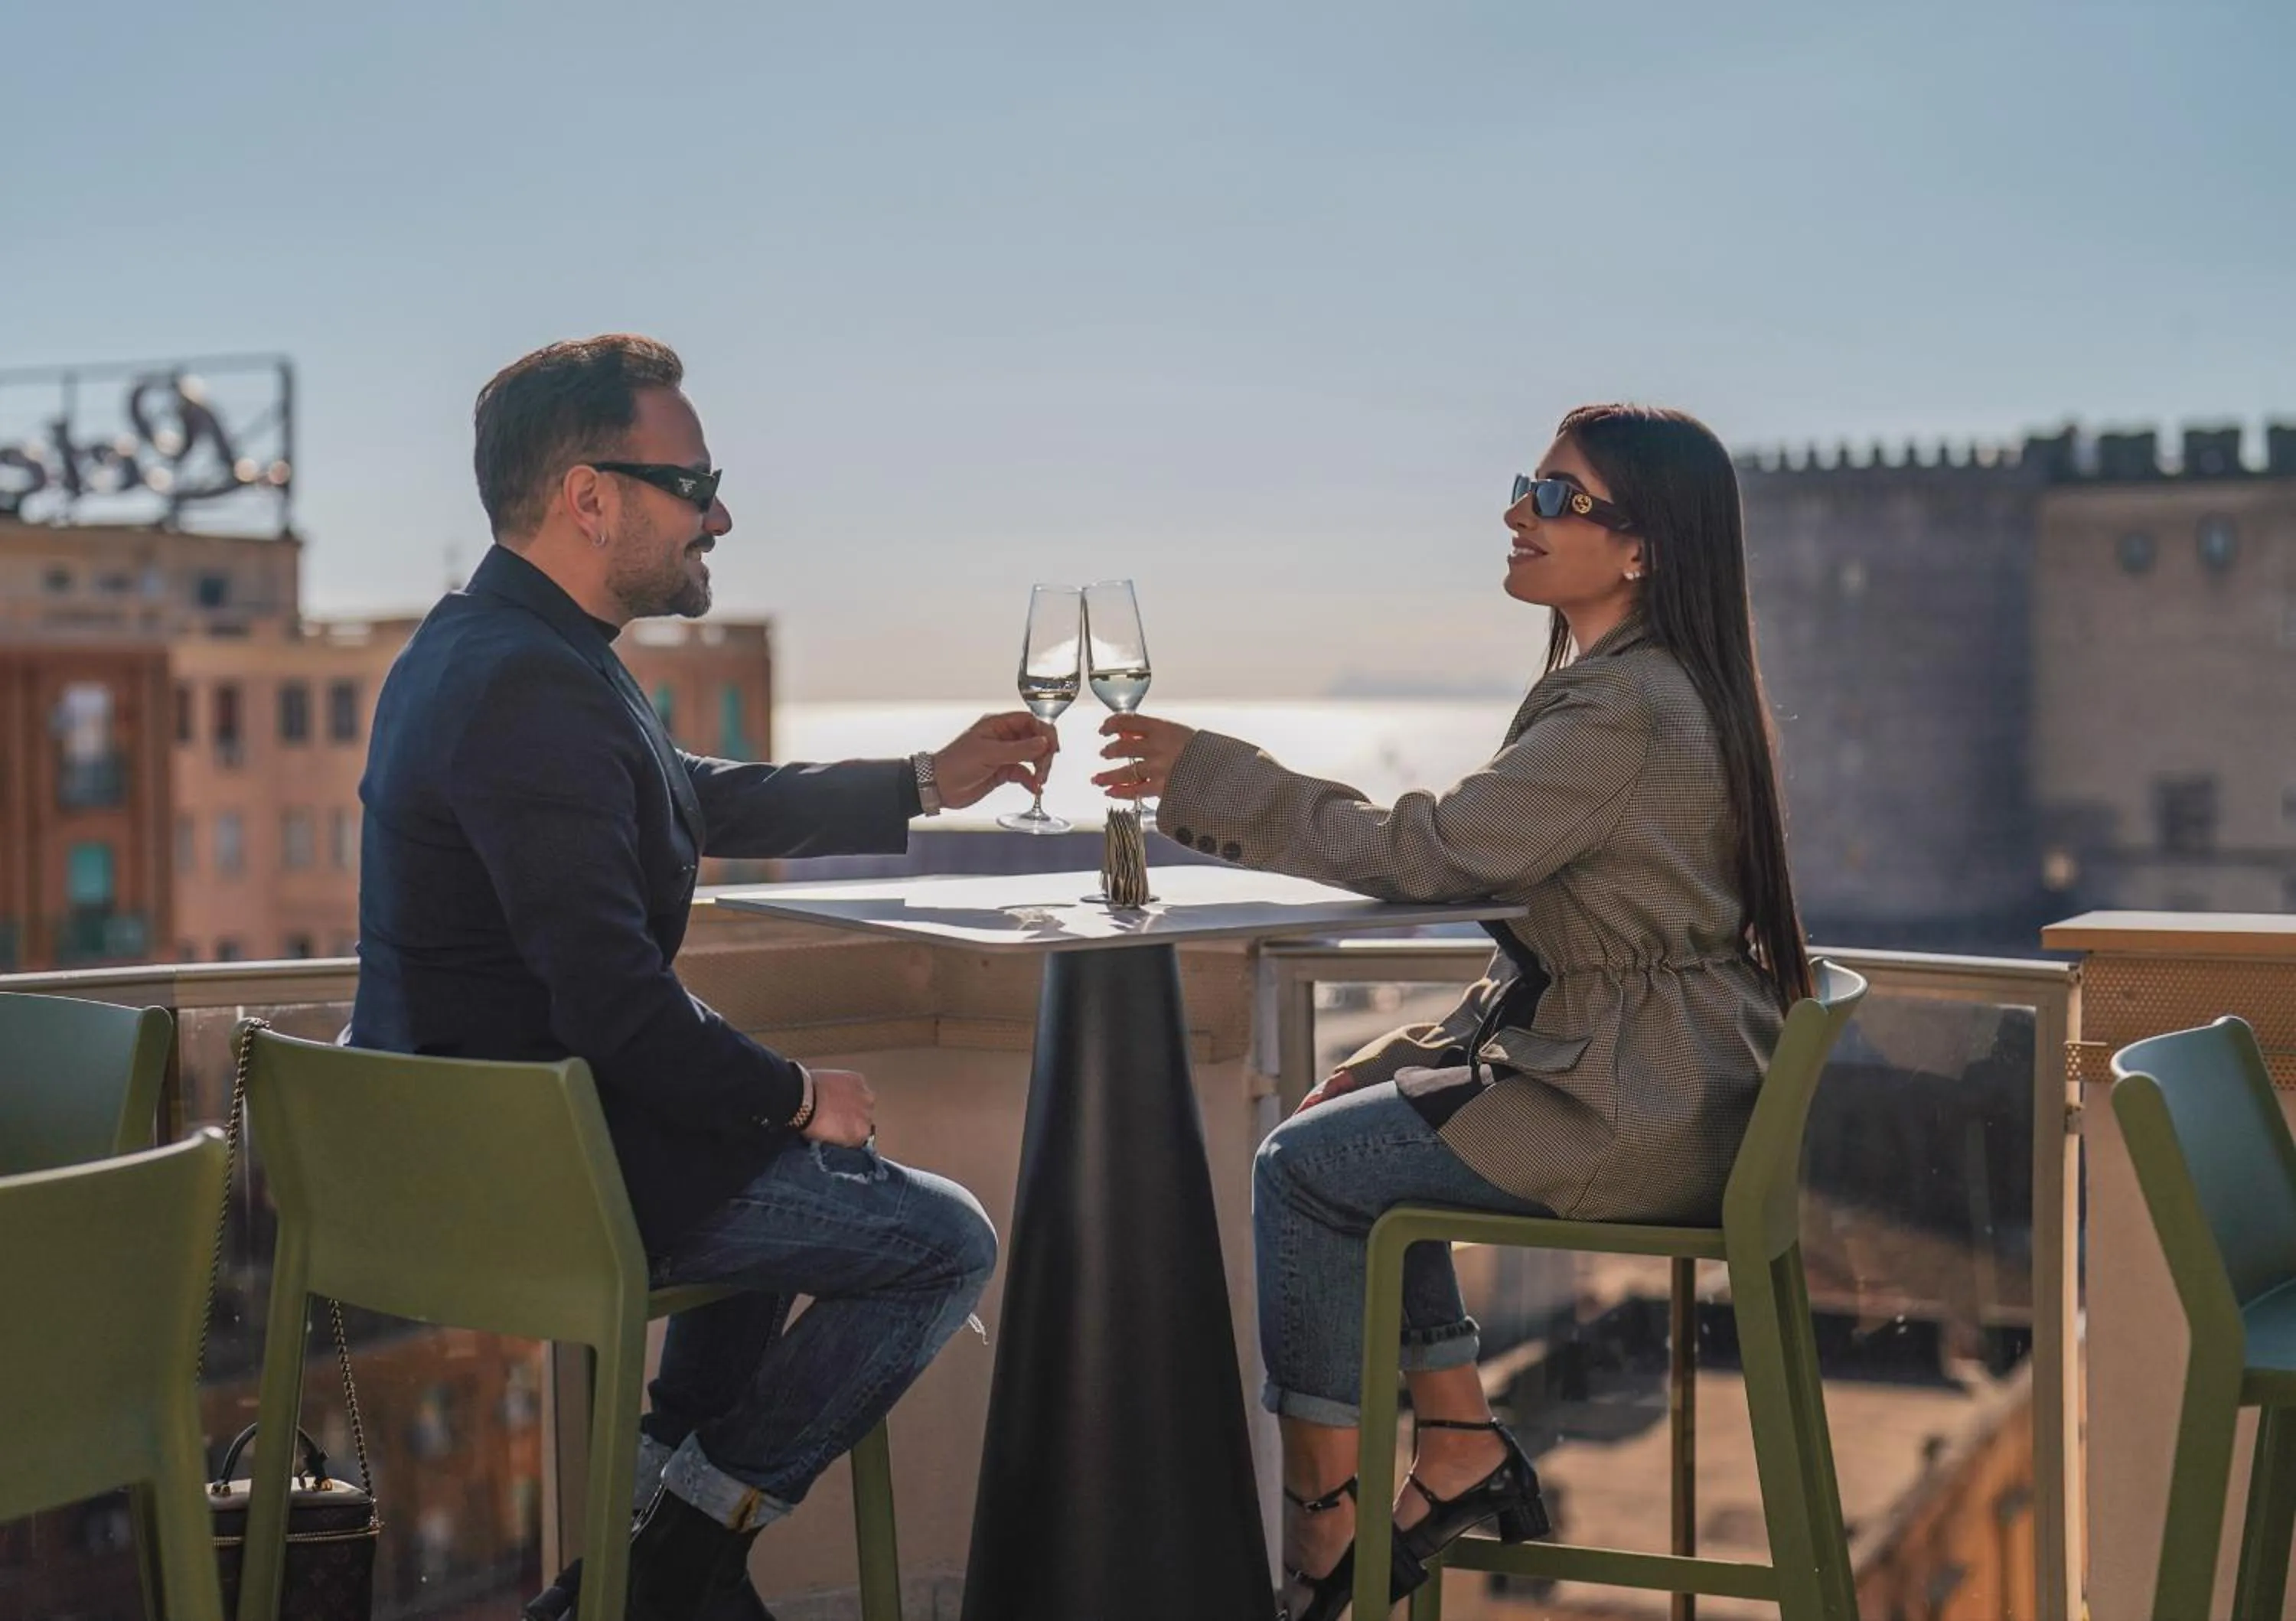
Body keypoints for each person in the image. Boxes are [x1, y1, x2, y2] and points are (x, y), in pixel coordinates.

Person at [349, 334, 1057, 1621]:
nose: (720, 512)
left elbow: (686, 795)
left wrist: (925, 781)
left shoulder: (498, 648)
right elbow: (612, 1001)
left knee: (773, 1194)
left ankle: (647, 1560)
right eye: (697, 480)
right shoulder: (527, 682)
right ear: (590, 497)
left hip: (486, 1143)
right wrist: (796, 1093)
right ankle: (675, 1559)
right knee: (935, 1238)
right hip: (525, 1178)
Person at [1097, 405, 1812, 1621]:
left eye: (1555, 496)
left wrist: (1210, 775)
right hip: (1670, 1085)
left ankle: (1324, 1527)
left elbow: (1423, 855)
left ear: (1642, 546)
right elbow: (1558, 948)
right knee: (1370, 1139)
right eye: (1525, 485)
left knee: (1307, 1171)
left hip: (1630, 1107)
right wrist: (1393, 1059)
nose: (1517, 512)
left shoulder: (1616, 711)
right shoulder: (1649, 686)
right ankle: (1460, 1439)